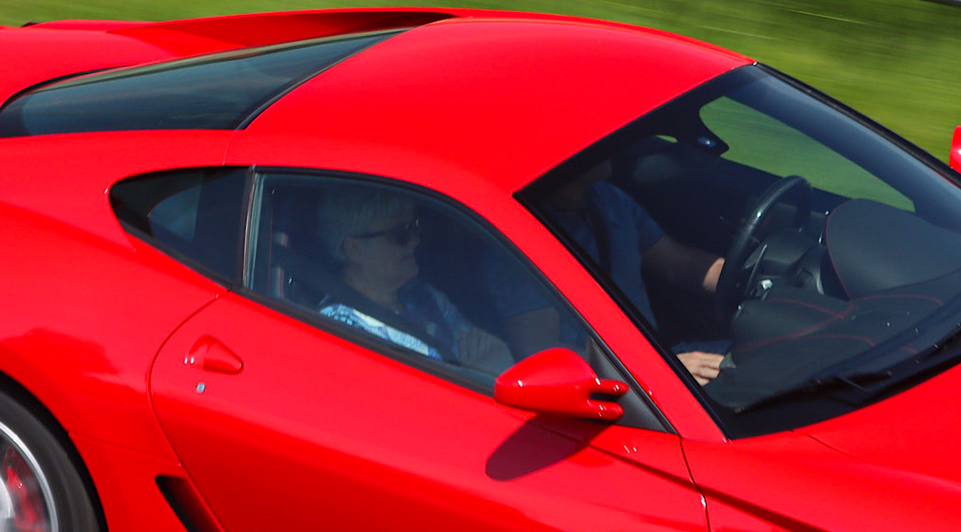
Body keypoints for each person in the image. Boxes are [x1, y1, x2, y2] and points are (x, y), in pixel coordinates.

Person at [525, 153, 730, 383]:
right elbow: (541, 355)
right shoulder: (519, 237)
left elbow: (681, 265)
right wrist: (658, 373)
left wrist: (746, 279)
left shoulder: (608, 200)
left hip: (656, 362)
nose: (604, 145)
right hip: (604, 385)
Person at [312, 187, 514, 375]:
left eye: (414, 227)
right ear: (354, 249)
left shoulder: (423, 295)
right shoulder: (339, 330)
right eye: (400, 235)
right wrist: (470, 374)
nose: (415, 240)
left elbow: (496, 354)